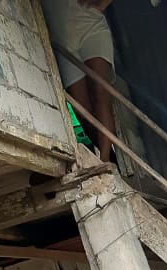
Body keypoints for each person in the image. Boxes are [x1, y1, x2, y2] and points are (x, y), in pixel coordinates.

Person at [40, 0, 116, 163]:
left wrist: (101, 4)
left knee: (100, 93)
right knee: (81, 109)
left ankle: (105, 160)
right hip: (61, 41)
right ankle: (110, 157)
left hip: (91, 28)